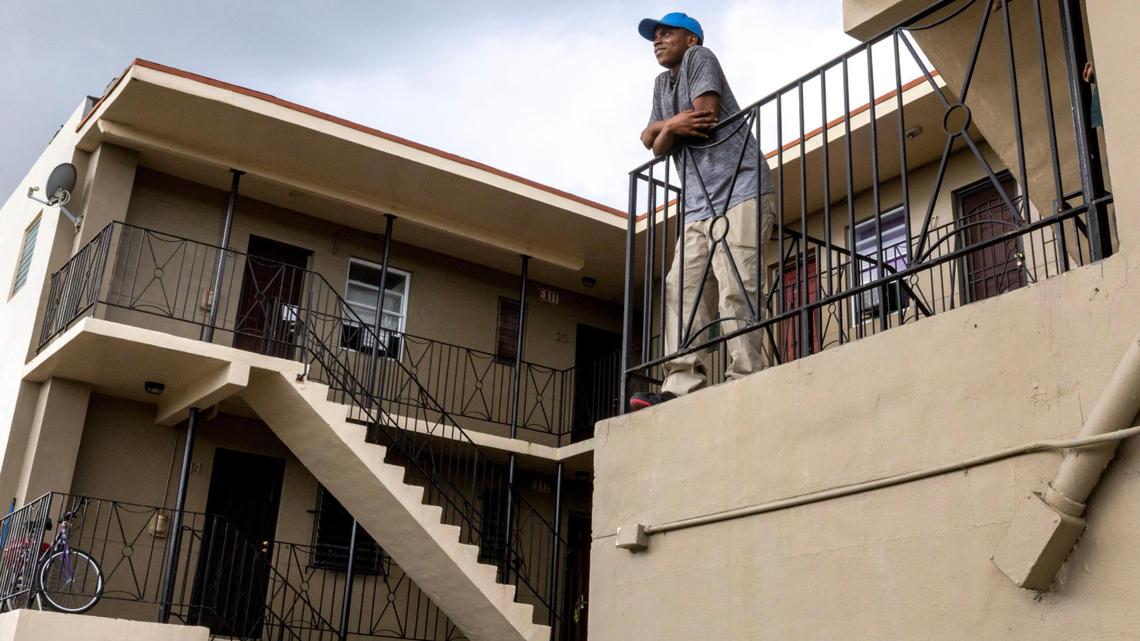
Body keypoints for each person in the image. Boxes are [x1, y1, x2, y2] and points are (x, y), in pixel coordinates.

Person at [629, 12, 776, 411]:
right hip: (697, 202)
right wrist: (673, 123)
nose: (657, 41)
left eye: (666, 33)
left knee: (737, 282)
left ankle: (747, 374)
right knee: (682, 286)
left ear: (690, 39)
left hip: (741, 185)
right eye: (654, 37)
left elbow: (706, 117)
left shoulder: (700, 58)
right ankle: (680, 384)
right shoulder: (662, 83)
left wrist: (666, 128)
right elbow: (651, 143)